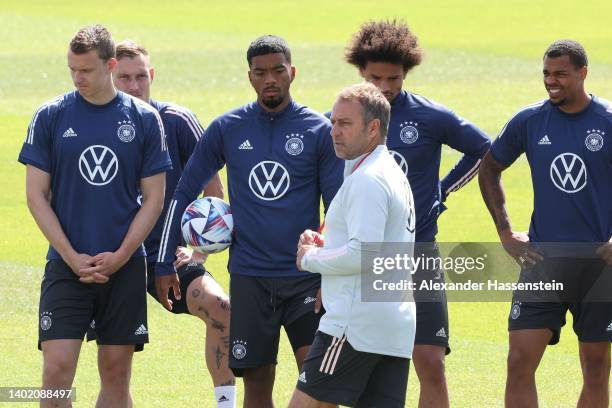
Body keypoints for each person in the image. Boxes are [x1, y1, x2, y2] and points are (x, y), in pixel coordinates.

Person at [154, 35, 344, 407]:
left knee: (318, 383)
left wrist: (332, 274)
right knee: (257, 385)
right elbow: (183, 191)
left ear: (292, 73)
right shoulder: (228, 127)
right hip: (250, 278)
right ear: (250, 77)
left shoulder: (318, 130)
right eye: (261, 72)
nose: (270, 79)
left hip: (305, 278)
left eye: (277, 71)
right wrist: (164, 261)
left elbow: (336, 209)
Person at [18, 25, 171, 407]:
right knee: (56, 373)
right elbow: (36, 195)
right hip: (67, 265)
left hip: (125, 266)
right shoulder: (50, 116)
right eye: (73, 69)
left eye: (86, 70)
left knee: (116, 375)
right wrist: (71, 257)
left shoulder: (144, 120)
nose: (77, 78)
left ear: (110, 65)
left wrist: (120, 256)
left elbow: (155, 198)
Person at [342, 19, 491, 407]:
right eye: (376, 78)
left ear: (406, 72)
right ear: (361, 71)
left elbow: (484, 149)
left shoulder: (430, 116)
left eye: (394, 78)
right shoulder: (346, 119)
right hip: (366, 260)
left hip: (419, 253)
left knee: (430, 360)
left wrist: (443, 190)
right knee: (367, 364)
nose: (386, 87)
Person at [479, 39, 612, 407]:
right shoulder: (530, 120)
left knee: (597, 366)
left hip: (600, 265)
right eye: (546, 74)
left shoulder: (608, 122)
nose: (551, 81)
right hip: (544, 260)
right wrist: (505, 232)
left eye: (560, 74)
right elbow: (489, 168)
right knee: (519, 359)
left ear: (583, 73)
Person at [112, 40, 235, 407]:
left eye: (140, 77)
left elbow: (214, 191)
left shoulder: (177, 121)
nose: (134, 86)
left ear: (151, 76)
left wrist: (198, 251)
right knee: (114, 356)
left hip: (166, 253)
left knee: (221, 309)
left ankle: (225, 403)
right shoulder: (99, 126)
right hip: (117, 255)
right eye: (124, 78)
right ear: (110, 77)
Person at [289, 82, 417, 408]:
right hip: (393, 327)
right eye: (333, 122)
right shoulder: (391, 173)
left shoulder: (367, 180)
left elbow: (364, 255)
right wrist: (329, 242)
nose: (334, 131)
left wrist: (311, 257)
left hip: (353, 326)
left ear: (373, 128)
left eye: (344, 123)